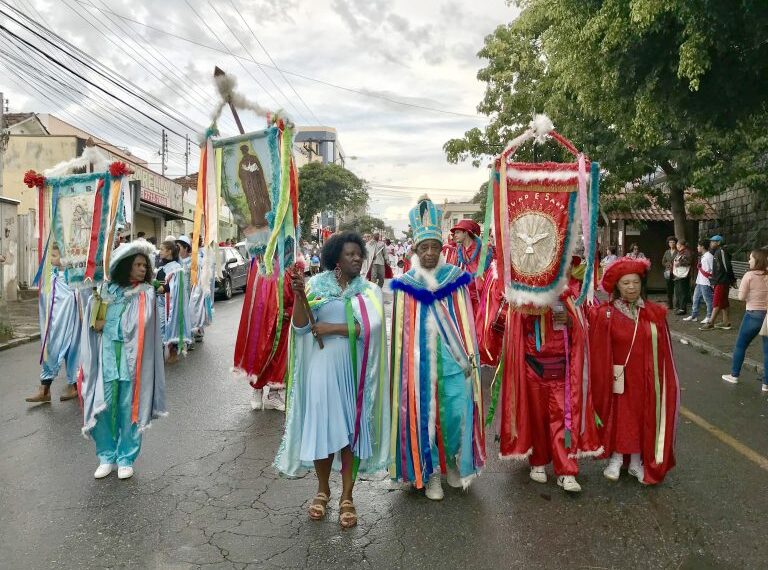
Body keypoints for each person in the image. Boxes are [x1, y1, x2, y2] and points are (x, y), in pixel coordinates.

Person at [274, 231, 389, 529]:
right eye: (350, 254)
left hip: (354, 372)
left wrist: (332, 328)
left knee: (350, 434)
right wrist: (300, 297)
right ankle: (323, 489)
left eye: (359, 254)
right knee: (324, 433)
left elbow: (371, 328)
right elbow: (300, 327)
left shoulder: (369, 291)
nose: (356, 258)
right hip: (322, 371)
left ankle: (347, 496)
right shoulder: (315, 285)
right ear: (335, 258)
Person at [388, 197, 485, 500]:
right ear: (414, 251)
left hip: (453, 361)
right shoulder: (405, 284)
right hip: (419, 365)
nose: (430, 253)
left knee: (455, 414)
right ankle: (429, 474)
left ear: (442, 248)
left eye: (434, 247)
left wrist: (470, 356)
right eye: (423, 248)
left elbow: (467, 321)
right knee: (424, 418)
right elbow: (401, 334)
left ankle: (451, 465)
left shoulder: (454, 279)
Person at [495, 260, 601, 494]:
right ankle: (538, 461)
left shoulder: (573, 294)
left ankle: (566, 471)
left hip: (562, 369)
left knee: (563, 419)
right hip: (532, 367)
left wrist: (572, 321)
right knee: (536, 418)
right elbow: (508, 326)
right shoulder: (524, 292)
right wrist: (526, 305)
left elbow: (587, 326)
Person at [80, 241, 166, 480]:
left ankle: (126, 457)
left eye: (144, 265)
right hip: (107, 357)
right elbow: (90, 315)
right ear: (125, 266)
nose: (142, 269)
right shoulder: (105, 290)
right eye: (136, 264)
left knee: (129, 407)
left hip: (132, 361)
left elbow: (146, 325)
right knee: (104, 405)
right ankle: (106, 455)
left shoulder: (146, 293)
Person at [589, 258, 679, 485]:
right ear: (617, 286)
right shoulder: (605, 314)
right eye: (626, 283)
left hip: (646, 378)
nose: (631, 287)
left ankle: (637, 461)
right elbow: (597, 348)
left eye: (635, 282)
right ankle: (617, 458)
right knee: (619, 417)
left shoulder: (653, 314)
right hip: (617, 378)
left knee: (642, 417)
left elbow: (664, 352)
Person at [25, 243, 80, 404]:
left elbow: (76, 296)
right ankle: (44, 389)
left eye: (54, 256)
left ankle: (74, 385)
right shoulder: (50, 274)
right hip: (54, 322)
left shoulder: (72, 275)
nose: (51, 259)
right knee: (51, 350)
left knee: (73, 351)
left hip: (71, 320)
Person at [720, 249, 768, 391]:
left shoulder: (749, 275)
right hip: (767, 316)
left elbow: (741, 297)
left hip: (752, 315)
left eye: (751, 258)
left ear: (757, 260)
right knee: (767, 351)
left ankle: (734, 375)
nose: (748, 261)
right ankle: (766, 384)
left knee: (741, 345)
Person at [155, 240, 191, 363]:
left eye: (161, 249)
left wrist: (163, 288)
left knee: (171, 325)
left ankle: (173, 352)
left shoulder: (177, 268)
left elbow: (178, 287)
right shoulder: (161, 266)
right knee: (159, 328)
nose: (159, 252)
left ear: (169, 251)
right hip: (158, 301)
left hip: (170, 303)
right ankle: (158, 355)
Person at [700, 235, 735, 331]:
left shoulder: (722, 251)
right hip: (719, 280)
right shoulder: (717, 252)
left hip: (722, 281)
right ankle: (726, 322)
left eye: (713, 241)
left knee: (717, 302)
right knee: (723, 302)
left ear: (718, 242)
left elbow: (727, 266)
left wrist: (732, 280)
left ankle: (711, 322)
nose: (711, 243)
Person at [683, 239, 714, 324]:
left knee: (708, 300)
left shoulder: (708, 257)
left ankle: (709, 316)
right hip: (700, 281)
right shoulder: (704, 256)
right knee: (695, 298)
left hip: (705, 282)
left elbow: (708, 272)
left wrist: (699, 267)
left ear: (702, 247)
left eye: (698, 246)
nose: (697, 247)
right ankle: (694, 315)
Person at [672, 239, 693, 315]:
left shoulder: (687, 252)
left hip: (683, 275)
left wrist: (680, 263)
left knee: (682, 292)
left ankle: (682, 308)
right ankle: (679, 307)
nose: (676, 246)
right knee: (678, 291)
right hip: (678, 274)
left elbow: (689, 261)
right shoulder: (680, 252)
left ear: (681, 245)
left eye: (677, 244)